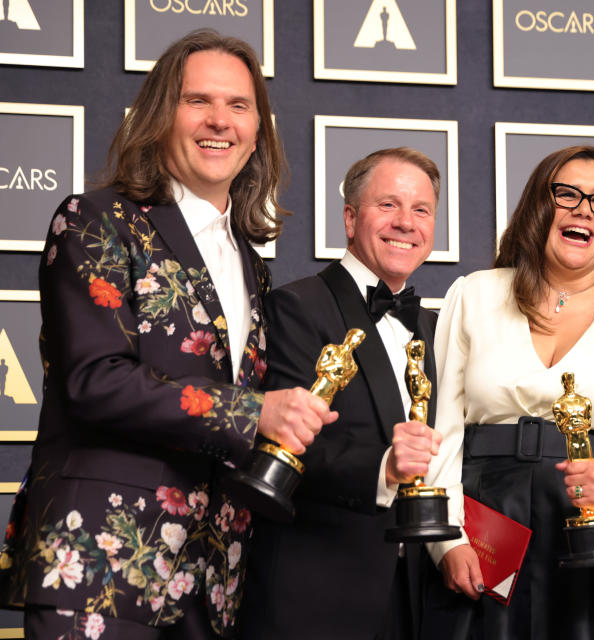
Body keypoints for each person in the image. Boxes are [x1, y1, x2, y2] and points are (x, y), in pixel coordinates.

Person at [0, 29, 335, 639]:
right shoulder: (96, 219)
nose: (220, 121)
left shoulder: (251, 262)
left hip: (213, 582)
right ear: (159, 115)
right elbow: (95, 382)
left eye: (239, 106)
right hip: (103, 564)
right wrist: (255, 410)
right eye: (197, 101)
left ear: (258, 130)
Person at [421, 146, 594, 639]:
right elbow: (439, 432)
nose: (583, 209)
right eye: (566, 193)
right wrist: (446, 540)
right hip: (484, 529)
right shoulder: (475, 295)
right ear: (538, 206)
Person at [240, 147, 444, 640]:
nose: (406, 223)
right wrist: (384, 468)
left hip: (417, 601)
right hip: (314, 598)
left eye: (421, 210)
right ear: (350, 218)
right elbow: (283, 444)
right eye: (388, 205)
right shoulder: (296, 306)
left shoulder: (436, 328)